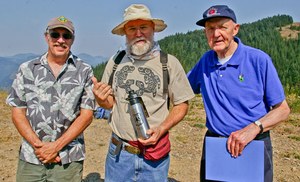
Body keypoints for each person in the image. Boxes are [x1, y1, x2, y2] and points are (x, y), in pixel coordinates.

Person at [92, 4, 195, 182]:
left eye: (143, 27)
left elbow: (182, 104)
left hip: (155, 156)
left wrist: (162, 128)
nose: (138, 33)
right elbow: (110, 103)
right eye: (132, 28)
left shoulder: (169, 63)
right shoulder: (115, 62)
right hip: (119, 156)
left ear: (153, 29)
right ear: (125, 32)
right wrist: (101, 100)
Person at [188, 5, 290, 181]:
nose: (216, 34)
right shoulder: (205, 61)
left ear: (235, 29)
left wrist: (253, 128)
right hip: (215, 147)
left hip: (253, 145)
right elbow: (180, 89)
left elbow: (282, 110)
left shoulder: (258, 60)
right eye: (210, 28)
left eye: (222, 27)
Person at [6, 16, 95, 182]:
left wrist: (56, 147)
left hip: (68, 158)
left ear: (72, 39)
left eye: (66, 36)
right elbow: (18, 113)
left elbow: (86, 115)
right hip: (31, 157)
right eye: (55, 34)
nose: (60, 40)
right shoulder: (27, 69)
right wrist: (39, 147)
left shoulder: (84, 71)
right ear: (46, 37)